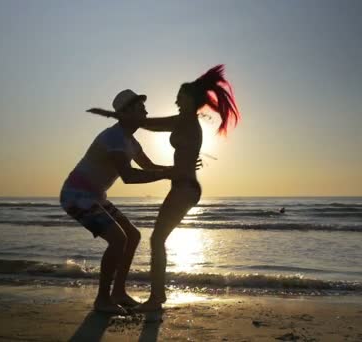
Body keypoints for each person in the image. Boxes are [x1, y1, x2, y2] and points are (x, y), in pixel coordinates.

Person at [87, 65, 241, 311]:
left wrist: (111, 114)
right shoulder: (186, 122)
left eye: (180, 96)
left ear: (191, 100)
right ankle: (155, 297)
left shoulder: (185, 121)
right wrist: (175, 167)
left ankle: (156, 299)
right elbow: (151, 129)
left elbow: (148, 123)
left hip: (185, 188)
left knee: (157, 240)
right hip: (183, 186)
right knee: (157, 240)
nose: (176, 100)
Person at [60, 89, 175, 315]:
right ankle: (102, 299)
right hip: (76, 195)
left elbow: (148, 166)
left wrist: (175, 170)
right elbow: (129, 176)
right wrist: (167, 175)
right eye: (141, 108)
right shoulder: (113, 137)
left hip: (95, 196)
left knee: (133, 235)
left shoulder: (131, 141)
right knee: (118, 240)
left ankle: (118, 293)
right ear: (126, 113)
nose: (146, 112)